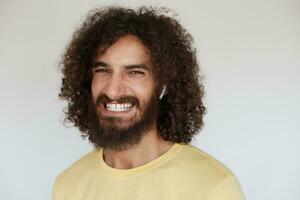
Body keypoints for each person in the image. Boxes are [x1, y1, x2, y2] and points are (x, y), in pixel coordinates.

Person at [53, 6, 245, 200]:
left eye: (135, 72)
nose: (112, 90)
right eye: (103, 70)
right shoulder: (68, 186)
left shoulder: (213, 187)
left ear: (162, 85)